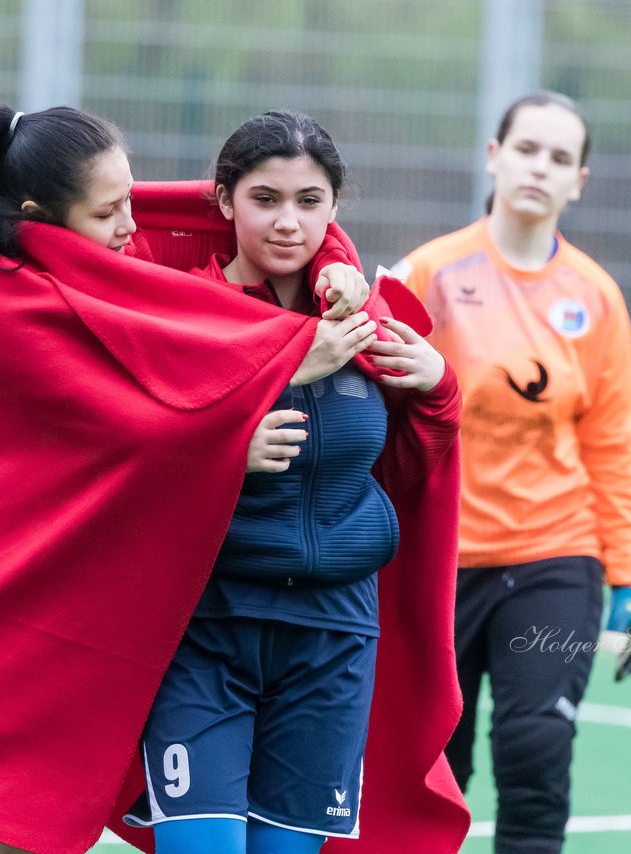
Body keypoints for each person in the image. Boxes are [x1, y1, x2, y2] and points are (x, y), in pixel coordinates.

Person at [0, 105, 381, 854]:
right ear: (40, 217)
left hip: (34, 590)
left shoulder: (92, 267)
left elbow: (266, 200)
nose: (132, 225)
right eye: (108, 210)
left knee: (29, 827)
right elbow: (136, 431)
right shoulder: (3, 306)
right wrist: (278, 377)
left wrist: (336, 261)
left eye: (130, 199)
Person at [119, 111, 469, 854]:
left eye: (309, 201)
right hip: (206, 632)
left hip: (334, 641)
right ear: (222, 202)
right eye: (264, 199)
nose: (288, 222)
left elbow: (401, 473)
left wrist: (440, 391)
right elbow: (125, 463)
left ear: (335, 209)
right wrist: (223, 450)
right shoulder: (177, 313)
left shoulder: (366, 324)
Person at [391, 91, 631, 854]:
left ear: (580, 181)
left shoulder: (597, 298)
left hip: (554, 557)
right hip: (437, 558)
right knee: (435, 765)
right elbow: (371, 402)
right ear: (494, 156)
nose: (540, 167)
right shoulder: (429, 274)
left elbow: (612, 443)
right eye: (528, 148)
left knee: (535, 747)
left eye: (560, 157)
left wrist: (630, 579)